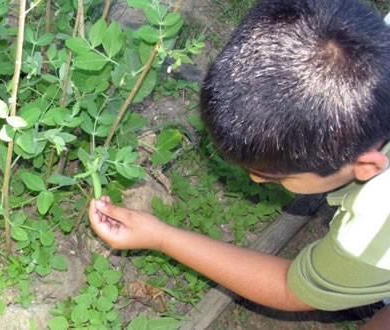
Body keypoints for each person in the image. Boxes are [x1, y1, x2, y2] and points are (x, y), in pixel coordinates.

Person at [88, 0, 390, 327]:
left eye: (272, 177)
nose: (257, 182)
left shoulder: (373, 227)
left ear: (366, 166)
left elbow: (291, 289)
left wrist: (161, 238)